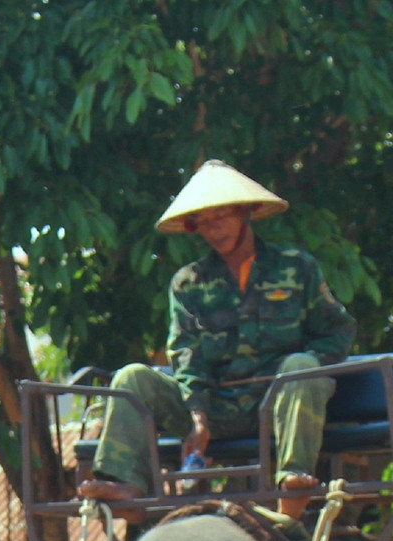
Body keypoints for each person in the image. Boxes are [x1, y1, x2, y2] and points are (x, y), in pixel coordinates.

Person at [90, 160, 356, 509]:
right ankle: (124, 486)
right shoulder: (189, 283)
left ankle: (293, 484)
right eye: (203, 224)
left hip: (277, 404)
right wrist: (198, 419)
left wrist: (302, 374)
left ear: (244, 212)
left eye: (221, 218)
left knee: (301, 364)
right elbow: (186, 355)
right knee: (131, 377)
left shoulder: (296, 267)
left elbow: (337, 330)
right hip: (213, 410)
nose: (214, 231)